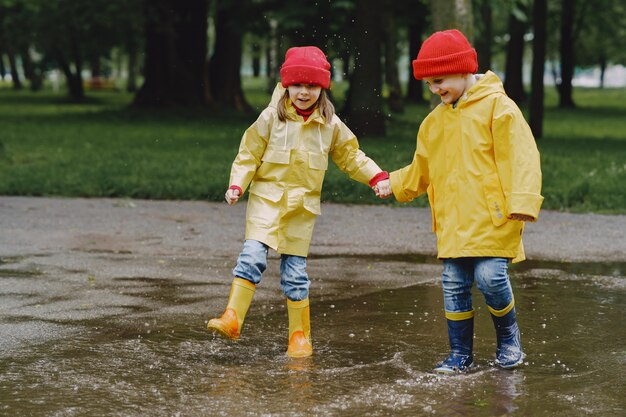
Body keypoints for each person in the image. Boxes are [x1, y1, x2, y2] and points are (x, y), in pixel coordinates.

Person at [207, 46, 391, 358]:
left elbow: (351, 157)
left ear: (323, 88)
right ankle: (233, 316)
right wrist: (237, 184)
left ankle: (299, 336)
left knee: (295, 275)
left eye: (312, 86)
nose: (303, 92)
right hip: (267, 201)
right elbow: (248, 154)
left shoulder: (330, 125)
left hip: (301, 210)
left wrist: (376, 176)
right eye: (297, 85)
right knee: (252, 257)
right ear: (286, 85)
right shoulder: (270, 117)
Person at [382, 29, 543, 373]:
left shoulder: (499, 108)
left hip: (495, 216)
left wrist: (523, 201)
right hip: (453, 220)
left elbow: (522, 156)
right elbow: (422, 168)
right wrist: (394, 183)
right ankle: (459, 353)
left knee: (490, 277)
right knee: (454, 283)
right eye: (428, 83)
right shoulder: (432, 124)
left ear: (464, 70)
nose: (435, 89)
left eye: (439, 80)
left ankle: (508, 339)